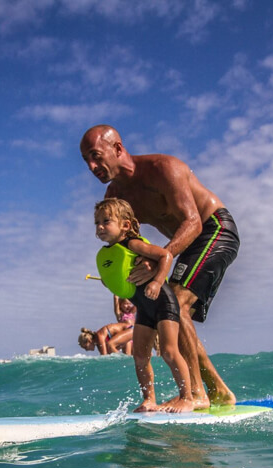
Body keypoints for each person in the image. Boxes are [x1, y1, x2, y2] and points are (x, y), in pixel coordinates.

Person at [81, 125, 239, 408]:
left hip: (214, 229)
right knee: (172, 308)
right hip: (184, 245)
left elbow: (193, 222)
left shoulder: (163, 168)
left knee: (175, 304)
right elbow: (123, 245)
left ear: (117, 149)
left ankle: (197, 394)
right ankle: (217, 392)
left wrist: (160, 260)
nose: (92, 166)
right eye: (87, 161)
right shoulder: (115, 198)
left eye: (96, 156)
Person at [94, 198, 194, 412]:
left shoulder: (132, 244)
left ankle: (187, 397)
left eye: (106, 221)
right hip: (144, 308)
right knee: (140, 356)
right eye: (97, 223)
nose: (100, 226)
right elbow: (118, 279)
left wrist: (157, 281)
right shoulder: (107, 254)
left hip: (162, 302)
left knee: (168, 351)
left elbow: (165, 255)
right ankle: (149, 399)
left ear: (125, 226)